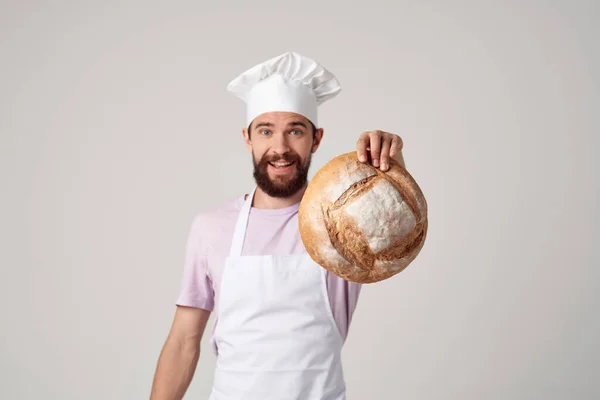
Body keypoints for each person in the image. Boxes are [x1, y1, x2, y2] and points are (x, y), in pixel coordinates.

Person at [150, 52, 405, 400]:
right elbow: (183, 343)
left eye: (295, 131)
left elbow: (394, 226)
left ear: (316, 139)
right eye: (266, 131)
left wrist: (392, 167)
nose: (280, 148)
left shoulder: (345, 226)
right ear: (247, 138)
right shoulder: (211, 228)